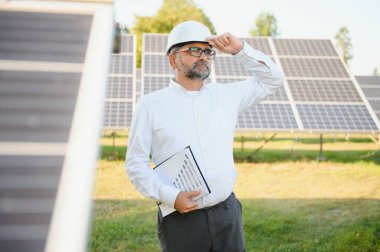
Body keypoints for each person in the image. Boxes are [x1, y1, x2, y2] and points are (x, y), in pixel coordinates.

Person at [126, 20, 284, 252]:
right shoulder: (150, 105)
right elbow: (135, 164)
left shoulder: (227, 95)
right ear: (172, 59)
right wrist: (171, 196)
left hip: (227, 213)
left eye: (208, 51)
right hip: (181, 221)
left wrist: (240, 50)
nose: (203, 56)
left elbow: (274, 79)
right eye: (193, 50)